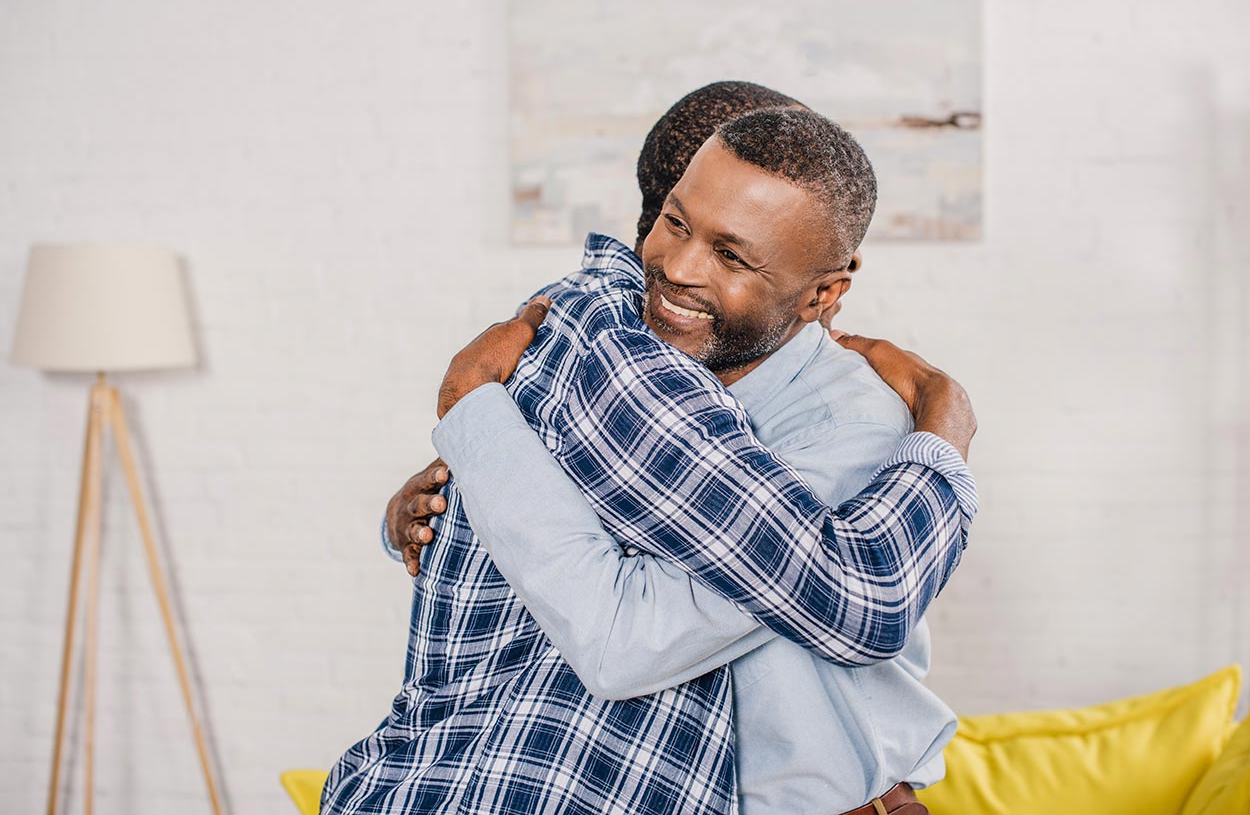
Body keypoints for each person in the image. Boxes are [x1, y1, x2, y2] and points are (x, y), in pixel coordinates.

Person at [322, 106, 976, 815]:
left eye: (733, 254)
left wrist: (472, 412)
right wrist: (433, 508)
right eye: (673, 220)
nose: (676, 269)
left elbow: (621, 638)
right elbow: (532, 553)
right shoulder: (613, 358)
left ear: (821, 292)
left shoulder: (849, 428)